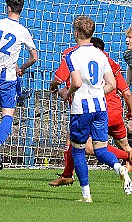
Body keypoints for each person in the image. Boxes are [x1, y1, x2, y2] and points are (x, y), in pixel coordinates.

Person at [57, 15, 132, 202]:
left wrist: (67, 93)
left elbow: (75, 82)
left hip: (81, 109)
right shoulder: (101, 55)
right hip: (101, 108)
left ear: (76, 33)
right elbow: (112, 84)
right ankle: (120, 167)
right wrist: (98, 92)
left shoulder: (72, 55)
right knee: (101, 149)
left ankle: (86, 195)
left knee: (79, 150)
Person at [0, 0, 38, 170]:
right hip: (6, 80)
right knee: (8, 114)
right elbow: (34, 57)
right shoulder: (23, 31)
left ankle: (19, 95)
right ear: (21, 10)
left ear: (8, 8)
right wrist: (24, 67)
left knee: (13, 67)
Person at [123, 26, 132, 147]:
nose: (127, 40)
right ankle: (129, 162)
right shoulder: (129, 55)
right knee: (130, 127)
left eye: (130, 37)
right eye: (127, 37)